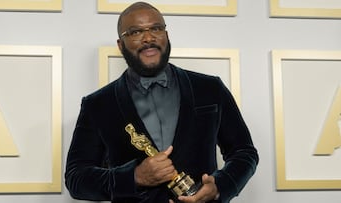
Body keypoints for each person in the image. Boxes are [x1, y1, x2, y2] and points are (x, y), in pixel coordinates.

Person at [65, 2, 259, 203]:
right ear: (120, 45)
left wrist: (219, 186)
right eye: (135, 32)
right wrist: (134, 177)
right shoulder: (98, 104)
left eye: (156, 28)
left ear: (166, 35)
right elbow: (76, 178)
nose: (148, 38)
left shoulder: (210, 88)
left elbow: (244, 152)